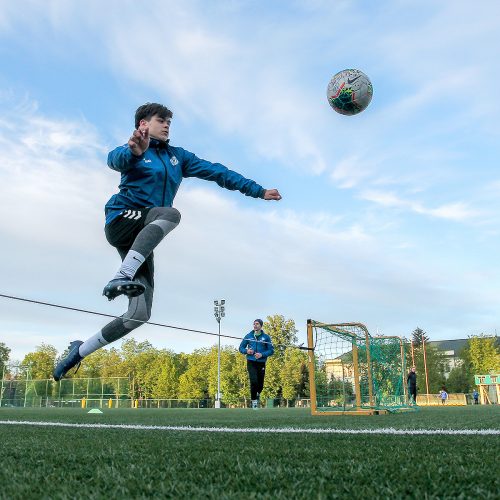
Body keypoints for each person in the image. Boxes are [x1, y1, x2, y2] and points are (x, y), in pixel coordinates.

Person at [53, 103, 282, 381]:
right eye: (161, 120)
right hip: (122, 219)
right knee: (170, 213)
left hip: (142, 237)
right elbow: (114, 159)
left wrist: (258, 191)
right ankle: (122, 274)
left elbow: (218, 172)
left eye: (169, 122)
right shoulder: (136, 150)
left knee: (139, 314)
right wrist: (132, 152)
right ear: (143, 125)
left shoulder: (179, 157)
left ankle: (79, 351)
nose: (166, 126)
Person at [239, 319, 274, 409]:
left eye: (257, 324)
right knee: (253, 381)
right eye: (254, 324)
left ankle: (258, 393)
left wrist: (262, 354)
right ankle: (254, 401)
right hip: (251, 361)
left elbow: (271, 350)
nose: (255, 325)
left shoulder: (266, 337)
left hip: (261, 363)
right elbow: (241, 348)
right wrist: (247, 351)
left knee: (260, 385)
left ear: (261, 326)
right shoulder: (248, 336)